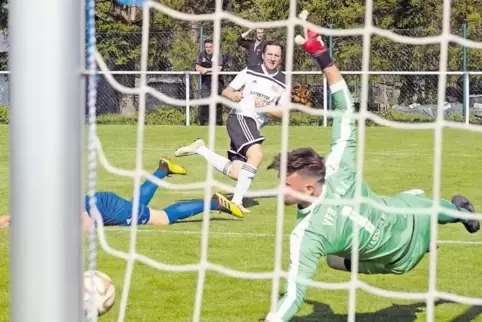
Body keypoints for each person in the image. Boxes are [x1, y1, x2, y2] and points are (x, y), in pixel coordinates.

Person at [264, 11, 480, 322]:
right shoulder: (337, 168)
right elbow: (346, 107)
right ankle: (462, 215)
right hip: (410, 220)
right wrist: (321, 55)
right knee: (416, 199)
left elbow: (294, 295)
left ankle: (433, 238)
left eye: (286, 183)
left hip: (399, 263)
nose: (279, 187)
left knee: (335, 262)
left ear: (309, 188)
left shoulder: (307, 236)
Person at [175, 41, 291, 212]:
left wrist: (265, 108)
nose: (273, 58)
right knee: (257, 155)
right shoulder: (249, 71)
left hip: (253, 125)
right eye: (270, 54)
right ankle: (236, 202)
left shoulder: (284, 82)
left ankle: (201, 149)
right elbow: (226, 91)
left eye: (277, 55)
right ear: (263, 55)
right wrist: (233, 94)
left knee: (238, 173)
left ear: (281, 58)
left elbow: (283, 113)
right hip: (240, 116)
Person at [0, 158, 243, 230]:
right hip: (107, 204)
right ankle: (162, 169)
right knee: (138, 205)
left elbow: (87, 224)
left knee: (162, 218)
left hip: (109, 209)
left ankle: (213, 203)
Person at [195, 38, 225, 126]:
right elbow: (197, 67)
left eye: (210, 47)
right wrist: (201, 69)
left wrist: (206, 70)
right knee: (204, 99)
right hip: (206, 82)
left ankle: (218, 122)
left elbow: (218, 68)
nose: (208, 49)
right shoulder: (201, 55)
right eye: (206, 47)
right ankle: (204, 122)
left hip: (217, 82)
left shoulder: (218, 54)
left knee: (217, 102)